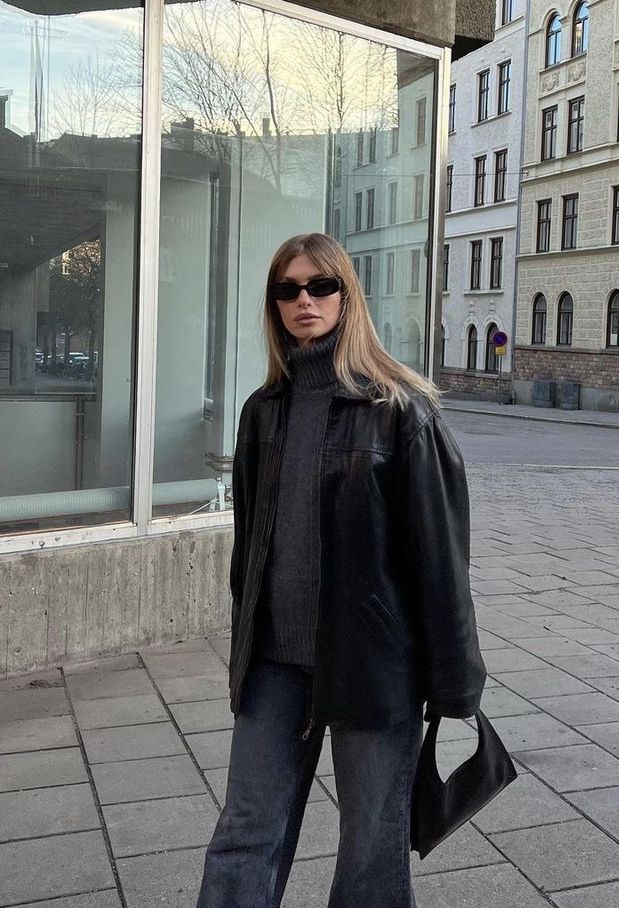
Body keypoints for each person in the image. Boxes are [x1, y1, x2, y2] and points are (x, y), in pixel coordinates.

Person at [197, 233, 485, 908]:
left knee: (371, 851)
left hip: (372, 666)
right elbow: (252, 550)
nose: (304, 300)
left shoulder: (401, 412)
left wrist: (455, 686)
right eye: (288, 289)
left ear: (347, 296)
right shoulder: (261, 412)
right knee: (245, 832)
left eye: (320, 286)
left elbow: (442, 564)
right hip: (274, 665)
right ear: (273, 305)